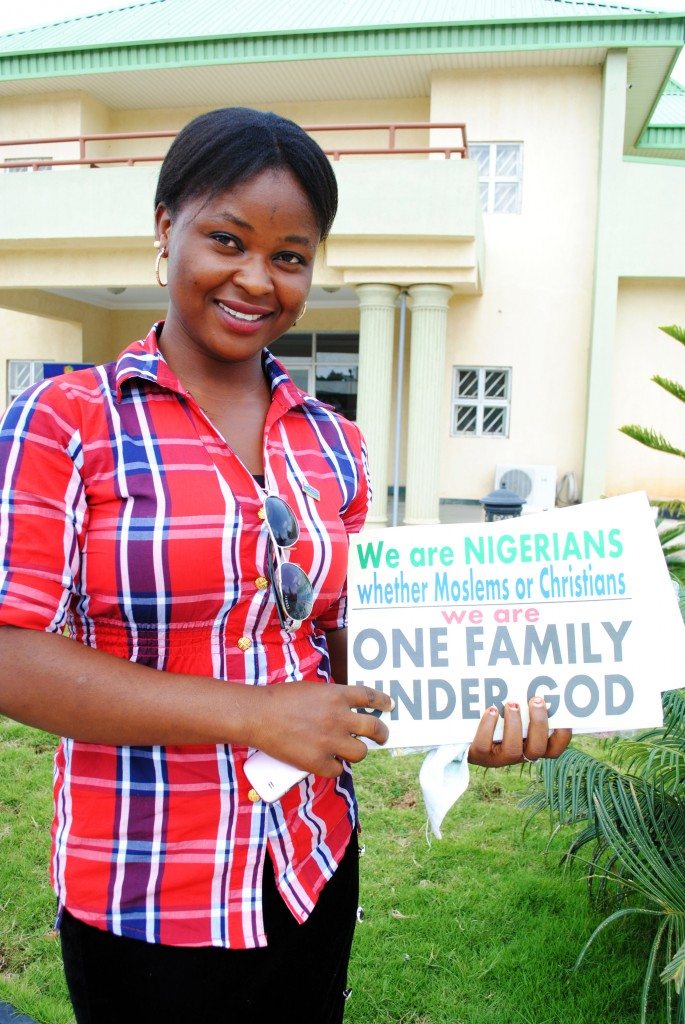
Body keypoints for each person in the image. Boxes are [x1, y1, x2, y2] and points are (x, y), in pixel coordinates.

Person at [0, 107, 571, 1023]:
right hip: (146, 891)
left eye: (291, 256)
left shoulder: (335, 445)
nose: (256, 279)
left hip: (310, 864)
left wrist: (461, 707)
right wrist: (253, 715)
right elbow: (10, 651)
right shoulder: (70, 421)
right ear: (165, 229)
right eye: (227, 239)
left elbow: (342, 646)